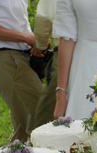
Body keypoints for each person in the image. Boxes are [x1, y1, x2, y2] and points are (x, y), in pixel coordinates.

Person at [0, 0, 42, 142]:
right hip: (6, 58)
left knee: (23, 121)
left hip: (20, 56)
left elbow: (17, 23)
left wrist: (34, 41)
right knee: (39, 113)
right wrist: (26, 38)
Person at [31, 0, 58, 128]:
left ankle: (37, 141)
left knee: (49, 104)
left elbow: (43, 23)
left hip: (64, 52)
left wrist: (40, 46)